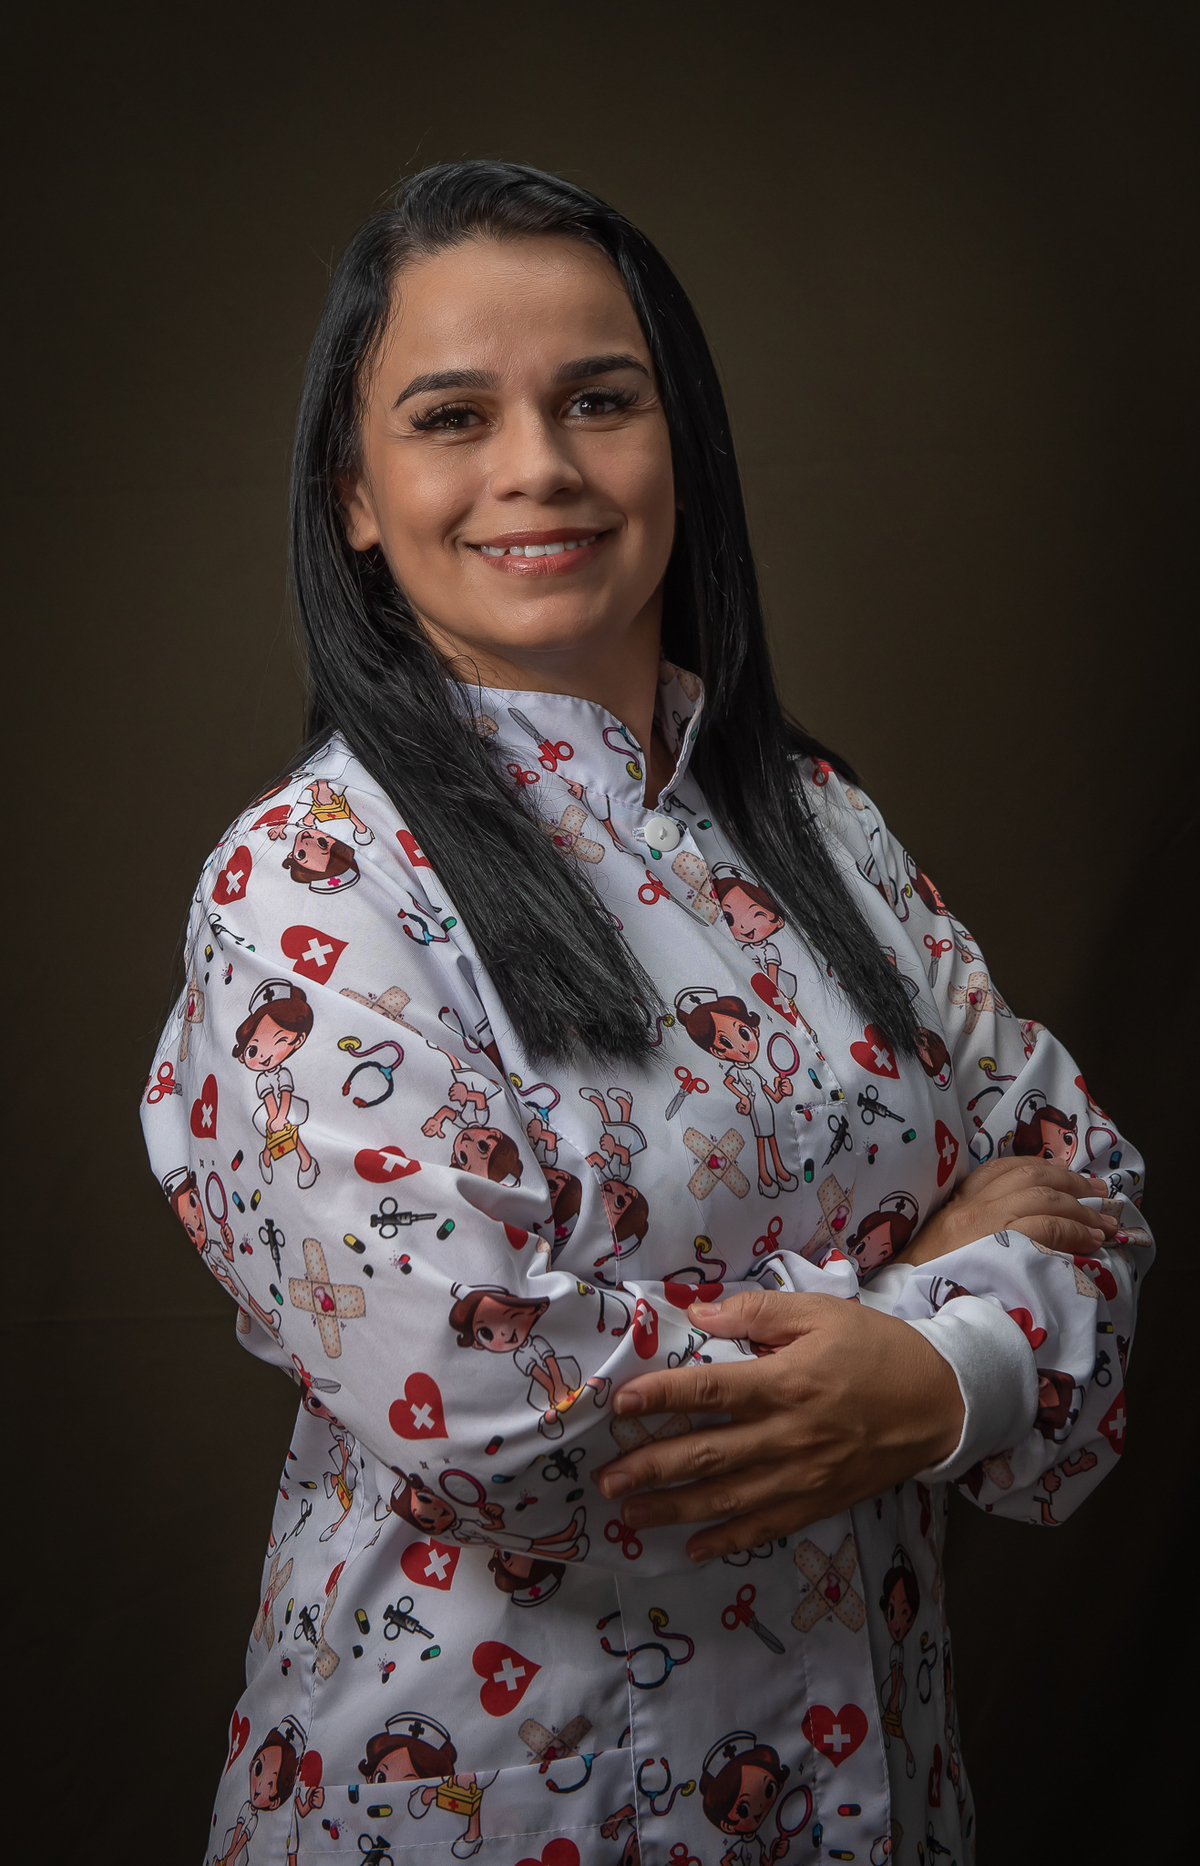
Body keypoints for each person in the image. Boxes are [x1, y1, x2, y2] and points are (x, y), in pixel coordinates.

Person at [141, 160, 1151, 1865]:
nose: (539, 464)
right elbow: (478, 1399)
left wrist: (937, 1369)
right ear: (356, 499)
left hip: (871, 1788)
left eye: (600, 399)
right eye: (453, 416)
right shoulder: (308, 888)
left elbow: (1090, 1194)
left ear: (681, 446)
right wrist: (925, 1338)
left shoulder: (814, 822)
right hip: (484, 1796)